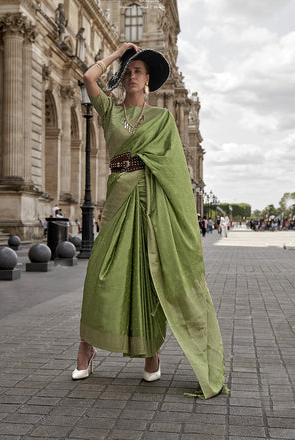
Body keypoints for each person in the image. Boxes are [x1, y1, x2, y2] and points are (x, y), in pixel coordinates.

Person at [72, 42, 227, 399]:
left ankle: (151, 354)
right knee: (101, 273)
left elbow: (173, 171)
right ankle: (87, 347)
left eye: (137, 71)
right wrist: (117, 54)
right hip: (119, 200)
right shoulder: (109, 110)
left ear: (148, 81)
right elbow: (88, 76)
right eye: (128, 71)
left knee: (148, 277)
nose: (131, 75)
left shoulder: (161, 120)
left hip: (152, 203)